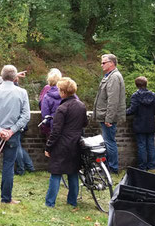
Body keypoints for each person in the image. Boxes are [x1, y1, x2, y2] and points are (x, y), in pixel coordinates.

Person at [0, 65, 30, 204]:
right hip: (12, 134)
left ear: (2, 76)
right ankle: (6, 198)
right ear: (15, 77)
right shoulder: (22, 93)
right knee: (8, 165)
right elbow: (26, 116)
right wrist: (11, 130)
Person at [44, 78, 87, 207]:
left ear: (63, 92)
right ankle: (72, 201)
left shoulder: (62, 108)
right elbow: (85, 123)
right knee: (73, 172)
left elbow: (56, 131)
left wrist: (49, 147)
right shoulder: (81, 105)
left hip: (62, 144)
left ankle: (50, 202)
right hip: (76, 143)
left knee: (56, 173)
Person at [92, 54, 126, 174]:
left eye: (104, 62)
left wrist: (109, 118)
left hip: (108, 117)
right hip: (105, 115)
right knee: (107, 141)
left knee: (109, 142)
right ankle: (107, 166)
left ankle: (112, 168)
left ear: (111, 63)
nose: (101, 65)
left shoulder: (114, 77)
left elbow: (113, 100)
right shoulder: (109, 76)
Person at [126, 76, 155, 171]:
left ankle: (142, 166)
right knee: (151, 145)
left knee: (141, 146)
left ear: (136, 85)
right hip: (150, 123)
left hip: (139, 123)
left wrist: (122, 112)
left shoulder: (135, 96)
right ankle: (152, 165)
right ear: (146, 84)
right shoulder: (153, 95)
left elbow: (132, 110)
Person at [39, 68, 63, 136]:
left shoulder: (47, 93)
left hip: (52, 126)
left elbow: (44, 111)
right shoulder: (66, 91)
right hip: (66, 126)